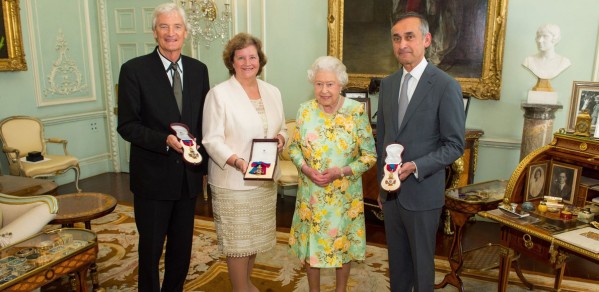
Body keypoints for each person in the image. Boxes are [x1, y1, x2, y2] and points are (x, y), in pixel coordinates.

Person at [117, 3, 210, 291]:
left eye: (177, 27)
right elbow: (127, 125)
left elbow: (204, 122)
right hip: (153, 178)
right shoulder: (134, 70)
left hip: (188, 178)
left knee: (181, 250)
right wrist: (164, 140)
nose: (171, 33)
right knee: (151, 250)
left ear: (186, 32)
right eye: (164, 27)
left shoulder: (198, 70)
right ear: (154, 32)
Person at [375, 12, 465, 292]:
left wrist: (415, 165)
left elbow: (454, 145)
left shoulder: (445, 85)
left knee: (422, 269)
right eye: (397, 38)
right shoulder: (388, 85)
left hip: (423, 193)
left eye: (409, 37)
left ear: (426, 40)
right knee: (397, 266)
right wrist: (382, 186)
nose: (402, 44)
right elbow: (384, 142)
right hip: (392, 195)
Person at [201, 33, 287, 292]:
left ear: (260, 60)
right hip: (234, 181)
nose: (248, 62)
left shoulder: (272, 91)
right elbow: (211, 140)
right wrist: (237, 161)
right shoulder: (219, 94)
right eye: (241, 57)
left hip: (263, 180)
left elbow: (282, 126)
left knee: (254, 241)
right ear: (232, 61)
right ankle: (241, 288)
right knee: (238, 243)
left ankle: (247, 284)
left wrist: (282, 138)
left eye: (252, 57)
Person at [288, 56, 377, 291]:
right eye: (319, 84)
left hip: (344, 195)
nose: (324, 90)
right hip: (311, 194)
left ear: (341, 85)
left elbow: (370, 156)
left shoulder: (356, 111)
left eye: (330, 84)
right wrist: (306, 169)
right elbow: (294, 148)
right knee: (311, 248)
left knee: (343, 245)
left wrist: (342, 171)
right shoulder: (305, 110)